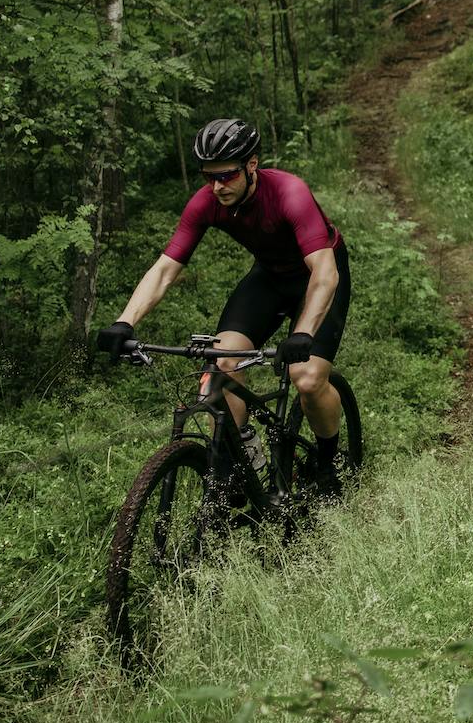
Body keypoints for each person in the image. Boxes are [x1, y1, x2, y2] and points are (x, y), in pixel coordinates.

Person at [95, 117, 351, 492]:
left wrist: (303, 332)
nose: (217, 186)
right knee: (221, 365)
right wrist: (124, 322)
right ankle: (243, 451)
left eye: (227, 175)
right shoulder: (207, 202)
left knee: (308, 379)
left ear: (252, 166)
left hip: (321, 271)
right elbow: (166, 268)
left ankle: (328, 462)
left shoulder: (288, 193)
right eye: (208, 177)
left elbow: (324, 273)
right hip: (269, 277)